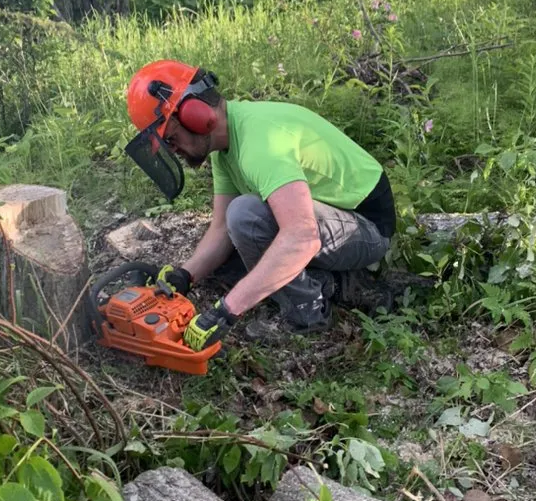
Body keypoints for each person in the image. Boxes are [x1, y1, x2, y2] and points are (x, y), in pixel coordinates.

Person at [123, 59, 396, 350]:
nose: (174, 150)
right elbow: (221, 229)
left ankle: (308, 312)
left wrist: (225, 312)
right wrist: (186, 275)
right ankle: (337, 284)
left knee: (246, 216)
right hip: (328, 218)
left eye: (172, 139)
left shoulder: (260, 143)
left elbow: (301, 236)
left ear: (195, 114)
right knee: (231, 254)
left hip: (366, 226)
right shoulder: (224, 148)